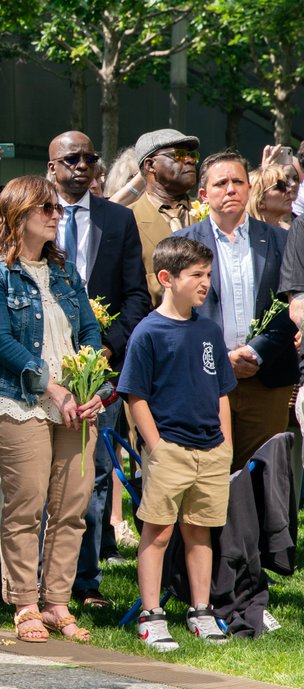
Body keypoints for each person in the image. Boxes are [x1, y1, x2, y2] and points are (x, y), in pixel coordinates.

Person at [0, 176, 107, 644]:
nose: (56, 214)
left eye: (57, 208)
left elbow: (90, 331)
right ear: (16, 215)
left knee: (72, 506)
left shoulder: (67, 274)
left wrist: (90, 383)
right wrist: (51, 386)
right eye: (44, 207)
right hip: (18, 400)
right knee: (26, 504)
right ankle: (25, 602)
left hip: (75, 400)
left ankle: (56, 603)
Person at [46, 131, 151, 610]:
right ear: (52, 167)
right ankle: (32, 582)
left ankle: (83, 582)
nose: (82, 166)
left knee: (91, 472)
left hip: (99, 367)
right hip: (41, 364)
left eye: (89, 158)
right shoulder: (32, 213)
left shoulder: (118, 219)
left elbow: (136, 296)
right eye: (71, 159)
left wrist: (106, 350)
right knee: (36, 475)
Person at [118, 236, 236, 651]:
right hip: (170, 449)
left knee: (200, 532)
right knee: (158, 533)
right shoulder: (148, 332)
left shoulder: (208, 329)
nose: (206, 283)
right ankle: (151, 615)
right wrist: (157, 446)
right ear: (167, 278)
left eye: (208, 274)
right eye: (196, 275)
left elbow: (222, 389)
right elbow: (135, 396)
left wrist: (225, 444)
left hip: (211, 450)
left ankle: (200, 611)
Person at [173, 150, 293, 470]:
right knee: (208, 478)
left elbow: (291, 305)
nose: (230, 189)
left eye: (238, 181)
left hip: (266, 379)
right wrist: (223, 360)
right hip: (206, 379)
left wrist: (256, 351)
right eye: (221, 183)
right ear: (203, 194)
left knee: (262, 479)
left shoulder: (283, 241)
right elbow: (175, 315)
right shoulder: (181, 244)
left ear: (250, 189)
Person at [129, 128, 200, 303]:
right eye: (179, 155)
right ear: (150, 165)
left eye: (192, 155)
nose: (190, 160)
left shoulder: (210, 214)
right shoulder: (127, 219)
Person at [247, 165, 297, 230]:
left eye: (287, 184)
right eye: (280, 186)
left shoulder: (289, 233)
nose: (289, 190)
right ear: (260, 201)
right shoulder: (245, 236)